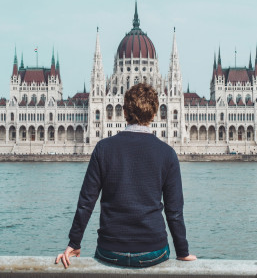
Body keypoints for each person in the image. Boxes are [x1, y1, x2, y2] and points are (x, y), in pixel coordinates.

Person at [56, 83, 196, 268]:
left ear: (124, 112)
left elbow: (86, 202)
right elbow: (174, 211)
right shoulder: (167, 153)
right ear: (154, 113)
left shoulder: (103, 149)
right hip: (152, 250)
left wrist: (74, 243)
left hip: (110, 249)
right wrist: (182, 252)